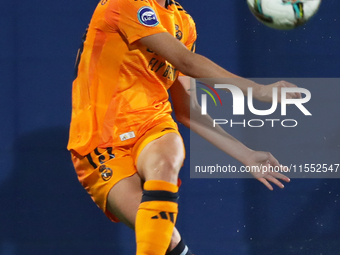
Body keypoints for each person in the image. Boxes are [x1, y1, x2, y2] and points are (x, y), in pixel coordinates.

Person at [67, 0, 299, 254]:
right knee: (169, 242)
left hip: (152, 125)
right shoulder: (126, 3)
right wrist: (259, 91)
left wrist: (246, 154)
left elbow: (186, 110)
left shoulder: (183, 23)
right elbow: (186, 61)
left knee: (168, 156)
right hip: (100, 141)